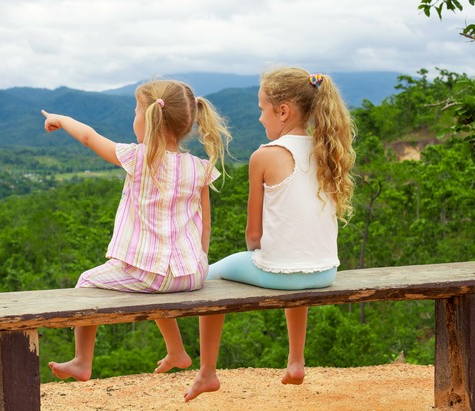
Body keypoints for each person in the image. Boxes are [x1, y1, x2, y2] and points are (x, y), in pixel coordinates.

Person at [42, 79, 231, 382]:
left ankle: (82, 361)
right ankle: (176, 351)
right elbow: (205, 224)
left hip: (153, 274)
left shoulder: (138, 157)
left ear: (149, 120)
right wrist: (198, 262)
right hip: (192, 274)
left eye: (135, 112)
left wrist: (61, 120)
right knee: (154, 278)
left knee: (87, 281)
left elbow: (90, 138)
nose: (134, 118)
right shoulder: (200, 167)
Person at [184, 67, 356, 402]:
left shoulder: (264, 156)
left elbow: (254, 234)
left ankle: (206, 373)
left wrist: (257, 254)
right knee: (293, 259)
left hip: (280, 272)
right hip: (325, 272)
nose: (259, 117)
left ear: (283, 111)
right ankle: (296, 360)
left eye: (262, 109)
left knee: (209, 277)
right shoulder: (328, 152)